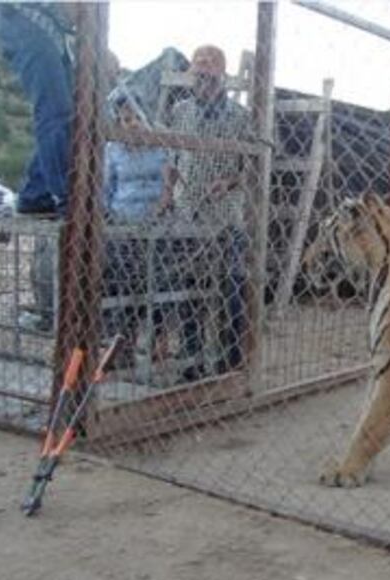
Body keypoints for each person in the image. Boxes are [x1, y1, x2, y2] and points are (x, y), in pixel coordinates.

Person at [161, 44, 250, 381]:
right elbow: (170, 159)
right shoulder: (180, 111)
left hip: (225, 217)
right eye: (199, 65)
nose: (204, 70)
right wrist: (168, 193)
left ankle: (230, 361)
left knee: (230, 288)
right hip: (187, 215)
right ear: (190, 74)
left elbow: (253, 168)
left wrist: (229, 181)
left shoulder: (240, 117)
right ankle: (192, 360)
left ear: (223, 75)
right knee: (187, 290)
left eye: (212, 65)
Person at [0, 2, 76, 217]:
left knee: (67, 114)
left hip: (51, 30)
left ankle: (36, 194)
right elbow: (75, 8)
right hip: (25, 16)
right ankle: (66, 197)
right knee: (55, 110)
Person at [101, 92, 169, 369]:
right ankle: (123, 347)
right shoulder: (113, 149)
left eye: (137, 118)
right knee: (122, 286)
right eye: (126, 119)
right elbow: (106, 189)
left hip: (155, 225)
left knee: (157, 284)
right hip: (122, 225)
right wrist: (109, 218)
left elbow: (168, 187)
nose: (132, 124)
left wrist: (157, 212)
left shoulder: (161, 145)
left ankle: (158, 344)